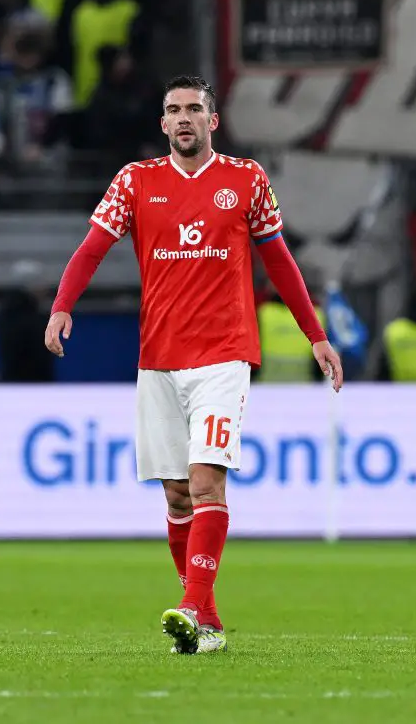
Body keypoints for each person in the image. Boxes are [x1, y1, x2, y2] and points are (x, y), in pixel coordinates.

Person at [44, 75, 344, 655]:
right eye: (173, 110)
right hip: (157, 359)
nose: (183, 118)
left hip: (223, 355)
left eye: (193, 109)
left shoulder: (246, 179)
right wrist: (61, 307)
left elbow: (278, 259)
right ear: (162, 123)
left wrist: (317, 335)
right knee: (177, 496)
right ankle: (206, 621)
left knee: (207, 481)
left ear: (213, 120)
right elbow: (91, 249)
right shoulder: (135, 181)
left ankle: (190, 606)